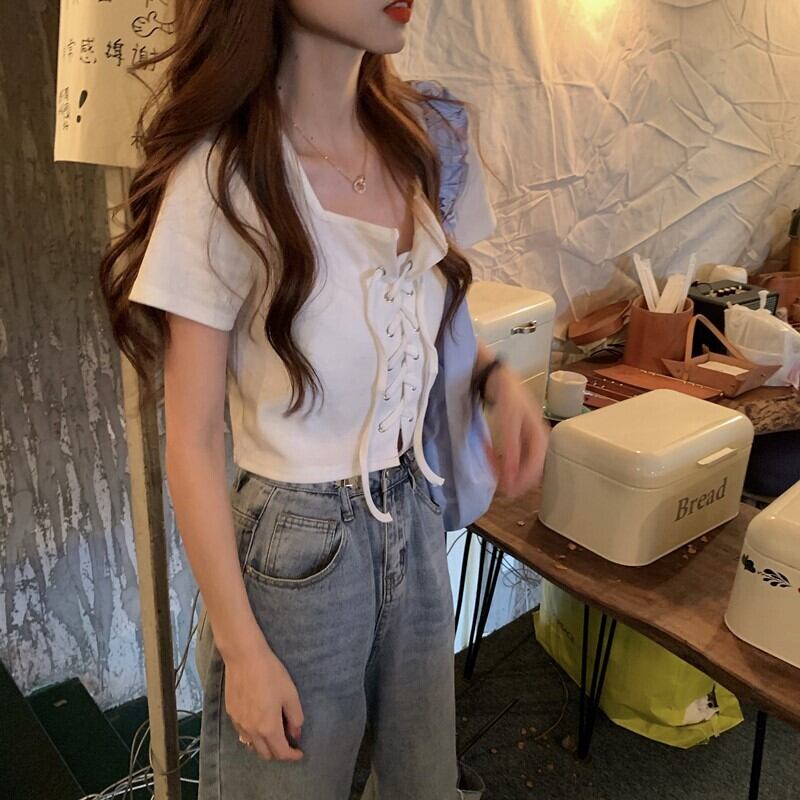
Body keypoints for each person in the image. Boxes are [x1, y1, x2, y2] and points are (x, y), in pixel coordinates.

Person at [101, 1, 549, 797]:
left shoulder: (419, 142)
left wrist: (491, 377)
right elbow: (193, 440)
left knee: (423, 783)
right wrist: (242, 651)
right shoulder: (224, 177)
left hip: (416, 513)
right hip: (299, 548)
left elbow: (422, 314)